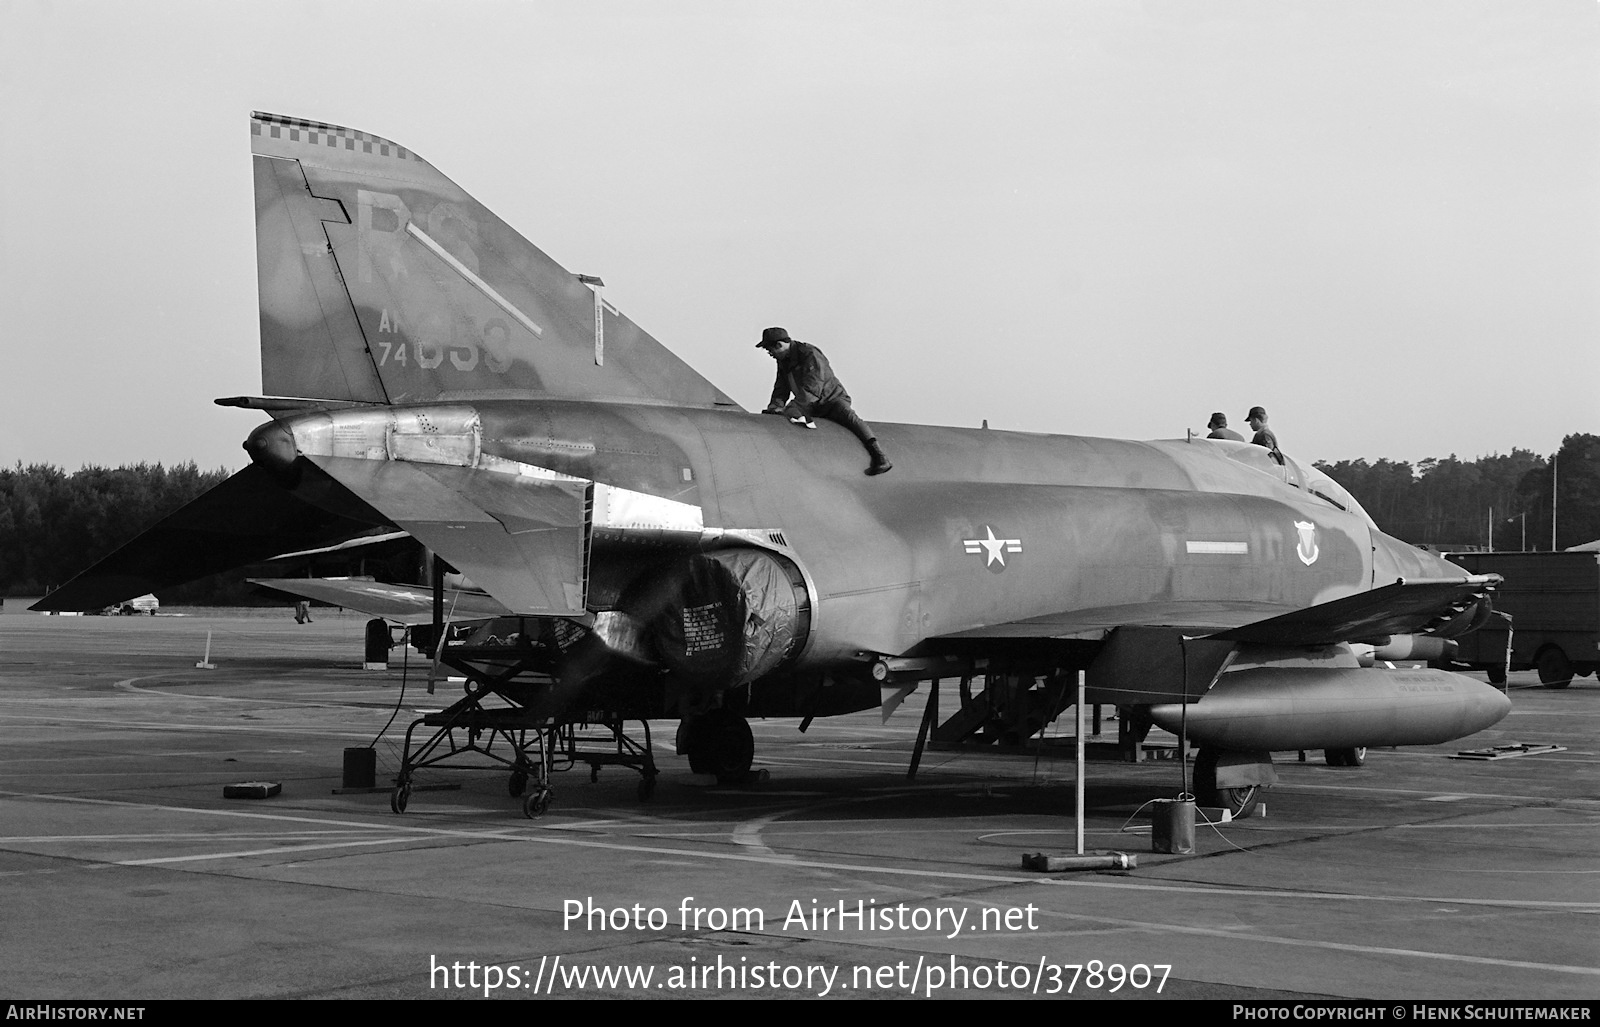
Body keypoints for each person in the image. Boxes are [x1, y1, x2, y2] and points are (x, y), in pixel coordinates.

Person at [756, 327, 892, 475]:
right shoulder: (784, 361)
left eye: (770, 349)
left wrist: (792, 407)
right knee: (795, 422)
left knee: (849, 417)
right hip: (811, 405)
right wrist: (774, 408)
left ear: (779, 345)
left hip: (831, 400)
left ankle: (879, 455)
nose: (770, 354)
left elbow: (813, 387)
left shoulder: (809, 354)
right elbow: (781, 388)